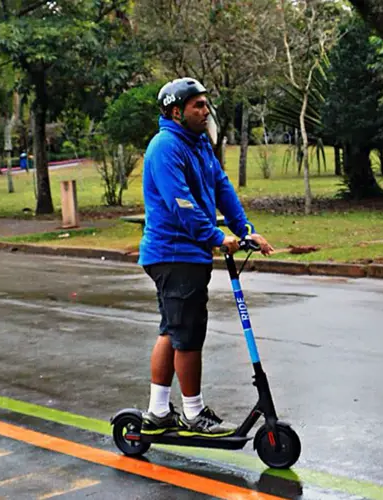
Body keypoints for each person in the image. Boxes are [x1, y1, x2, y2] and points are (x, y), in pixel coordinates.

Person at [138, 77, 274, 437]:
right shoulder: (166, 146)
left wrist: (243, 230)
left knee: (172, 329)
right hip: (174, 253)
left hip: (185, 253)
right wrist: (215, 237)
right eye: (197, 105)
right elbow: (180, 202)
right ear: (175, 110)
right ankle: (193, 413)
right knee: (188, 334)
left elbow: (221, 187)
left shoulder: (198, 145)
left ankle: (157, 412)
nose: (205, 111)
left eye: (205, 104)